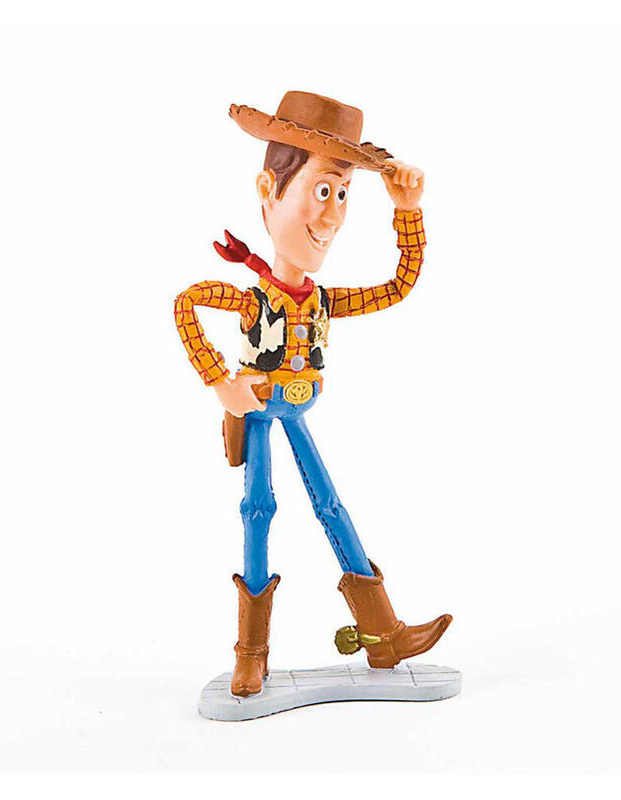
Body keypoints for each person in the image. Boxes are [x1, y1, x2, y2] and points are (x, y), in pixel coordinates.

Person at [175, 92, 451, 697]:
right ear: (268, 192)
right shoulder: (252, 300)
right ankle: (251, 652)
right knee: (258, 510)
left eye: (343, 194)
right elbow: (187, 302)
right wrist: (221, 382)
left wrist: (407, 212)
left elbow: (398, 286)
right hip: (259, 411)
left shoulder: (323, 301)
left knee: (331, 506)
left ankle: (382, 634)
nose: (331, 216)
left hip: (297, 411)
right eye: (322, 190)